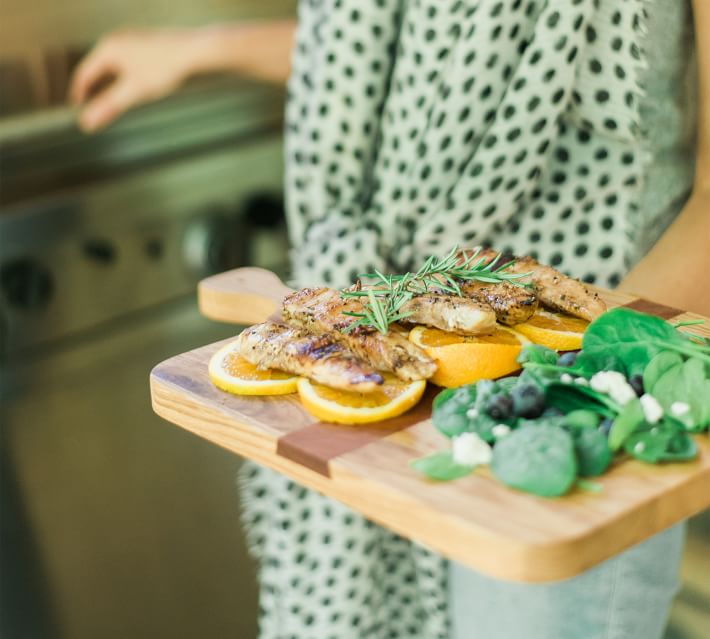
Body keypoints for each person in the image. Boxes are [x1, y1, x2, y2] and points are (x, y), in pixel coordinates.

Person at [71, 3, 710, 638]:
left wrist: (569, 388)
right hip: (393, 377)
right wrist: (204, 48)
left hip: (576, 400)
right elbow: (417, 70)